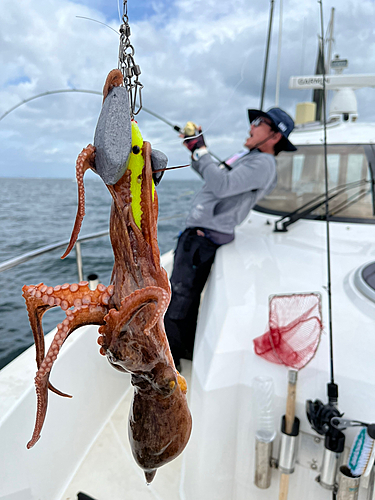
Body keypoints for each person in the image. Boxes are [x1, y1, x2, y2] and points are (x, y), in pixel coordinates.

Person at [164, 107, 297, 368]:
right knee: (184, 297)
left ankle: (168, 363)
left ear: (274, 137)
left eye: (259, 123)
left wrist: (201, 150)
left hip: (202, 239)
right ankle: (183, 350)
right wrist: (197, 150)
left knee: (179, 297)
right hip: (201, 236)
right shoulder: (251, 158)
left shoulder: (262, 163)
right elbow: (217, 176)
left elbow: (222, 185)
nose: (251, 127)